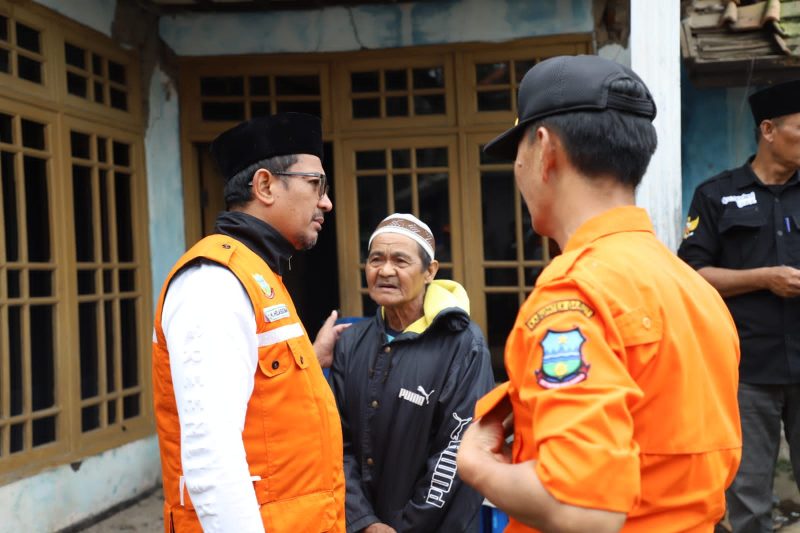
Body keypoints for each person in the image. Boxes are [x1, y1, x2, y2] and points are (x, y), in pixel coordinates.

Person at [455, 55, 742, 532]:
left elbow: (583, 510)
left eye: (517, 153)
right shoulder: (693, 288)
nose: (518, 169)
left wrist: (477, 465)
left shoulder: (573, 294)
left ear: (545, 150)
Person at [151, 112, 347, 532]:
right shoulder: (214, 282)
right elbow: (211, 458)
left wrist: (311, 361)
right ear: (265, 186)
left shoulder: (258, 274)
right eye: (317, 184)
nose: (326, 201)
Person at [678, 79, 800, 533]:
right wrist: (765, 278)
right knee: (748, 498)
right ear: (768, 130)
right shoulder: (716, 195)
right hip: (747, 369)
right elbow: (692, 275)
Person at [329, 213, 495, 532]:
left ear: (429, 271)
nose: (385, 270)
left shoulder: (462, 344)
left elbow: (455, 451)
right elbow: (336, 441)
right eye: (376, 259)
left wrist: (404, 527)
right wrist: (364, 521)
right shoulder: (351, 343)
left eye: (400, 261)